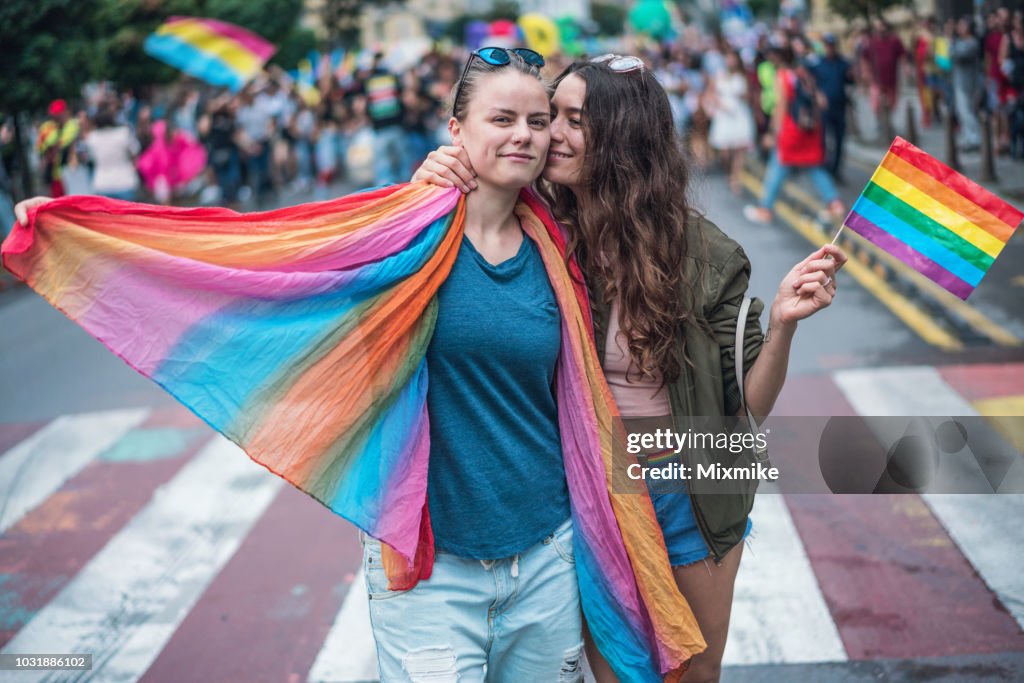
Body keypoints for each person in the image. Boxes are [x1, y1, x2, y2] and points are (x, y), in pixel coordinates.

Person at [9, 48, 704, 683]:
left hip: (547, 559)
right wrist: (83, 231)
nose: (524, 133)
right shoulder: (404, 233)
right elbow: (259, 260)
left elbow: (640, 218)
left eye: (538, 119)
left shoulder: (561, 240)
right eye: (501, 118)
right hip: (434, 575)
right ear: (456, 131)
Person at [414, 52, 846, 683]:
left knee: (695, 674)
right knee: (616, 669)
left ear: (621, 138)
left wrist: (781, 324)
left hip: (695, 481)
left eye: (572, 120)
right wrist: (436, 171)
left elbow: (748, 405)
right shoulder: (538, 231)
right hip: (591, 488)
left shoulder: (708, 255)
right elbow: (469, 198)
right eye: (549, 115)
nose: (548, 133)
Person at [744, 46, 845, 226]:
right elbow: (822, 102)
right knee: (814, 167)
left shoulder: (781, 76)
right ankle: (834, 203)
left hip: (791, 130)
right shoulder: (803, 74)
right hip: (810, 130)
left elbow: (781, 107)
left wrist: (772, 133)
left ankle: (765, 208)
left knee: (777, 167)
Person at [707, 48, 755, 195]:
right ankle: (729, 173)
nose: (730, 61)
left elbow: (749, 95)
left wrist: (741, 95)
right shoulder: (719, 74)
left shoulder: (743, 75)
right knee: (725, 151)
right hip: (724, 115)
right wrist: (717, 105)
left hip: (739, 114)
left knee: (739, 149)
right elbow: (711, 92)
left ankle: (735, 178)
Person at [82, 104, 140, 200]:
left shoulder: (92, 138)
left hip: (102, 184)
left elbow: (91, 159)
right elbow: (135, 151)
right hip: (125, 182)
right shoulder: (124, 133)